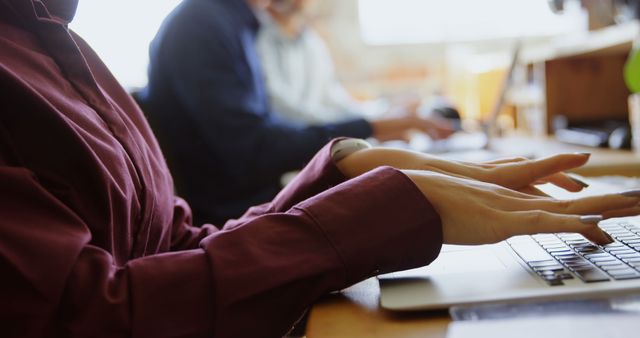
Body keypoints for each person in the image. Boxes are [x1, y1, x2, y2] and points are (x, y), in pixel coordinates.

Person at [2, 1, 640, 337]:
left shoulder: (59, 39)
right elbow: (87, 317)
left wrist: (349, 172)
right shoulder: (201, 23)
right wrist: (384, 207)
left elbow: (171, 247)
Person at [140, 0, 454, 224]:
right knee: (404, 199)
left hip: (256, 192)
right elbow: (255, 150)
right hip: (232, 213)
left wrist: (373, 126)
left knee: (414, 184)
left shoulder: (233, 22)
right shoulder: (204, 24)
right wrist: (369, 127)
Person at [256, 0, 390, 125]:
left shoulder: (311, 41)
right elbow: (279, 104)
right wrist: (335, 123)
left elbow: (332, 95)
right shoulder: (262, 41)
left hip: (320, 126)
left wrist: (375, 112)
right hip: (294, 132)